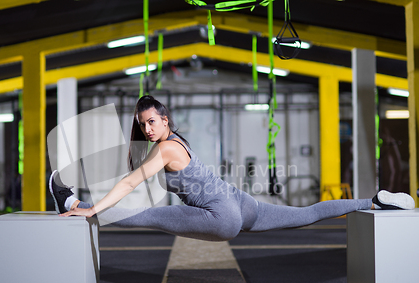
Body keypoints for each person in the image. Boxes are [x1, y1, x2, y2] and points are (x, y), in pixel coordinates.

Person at [49, 95, 415, 242]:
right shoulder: (179, 140)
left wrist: (97, 206)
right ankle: (374, 200)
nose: (147, 128)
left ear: (164, 120)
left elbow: (130, 182)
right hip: (239, 201)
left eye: (151, 122)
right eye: (142, 124)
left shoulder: (164, 150)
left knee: (151, 215)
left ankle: (76, 208)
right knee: (306, 213)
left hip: (223, 215)